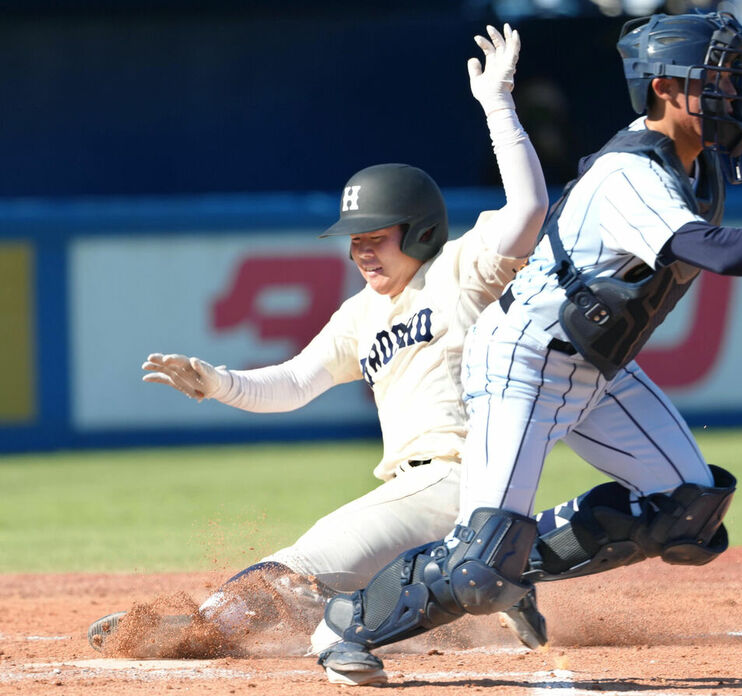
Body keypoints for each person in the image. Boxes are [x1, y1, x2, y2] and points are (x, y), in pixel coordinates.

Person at [310, 10, 742, 686]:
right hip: (526, 360)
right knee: (477, 571)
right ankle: (348, 623)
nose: (732, 93)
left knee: (688, 512)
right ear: (663, 86)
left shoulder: (699, 167)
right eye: (716, 78)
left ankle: (511, 561)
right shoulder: (630, 170)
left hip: (596, 366)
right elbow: (709, 251)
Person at [86, 23, 550, 658]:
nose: (359, 249)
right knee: (334, 603)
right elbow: (295, 382)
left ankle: (195, 629)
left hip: (462, 477)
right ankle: (492, 585)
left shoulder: (461, 269)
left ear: (418, 233)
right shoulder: (360, 314)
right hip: (435, 500)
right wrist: (217, 382)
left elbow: (526, 210)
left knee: (305, 560)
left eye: (372, 235)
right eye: (353, 238)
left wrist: (497, 103)